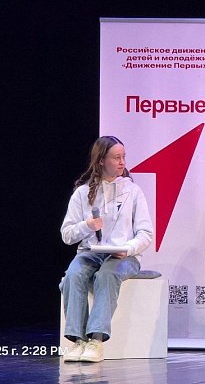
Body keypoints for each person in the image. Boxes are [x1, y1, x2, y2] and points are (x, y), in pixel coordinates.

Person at [60, 136, 154, 362]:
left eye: (123, 157)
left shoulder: (133, 191)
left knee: (107, 275)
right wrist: (87, 225)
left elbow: (145, 233)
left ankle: (96, 341)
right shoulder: (82, 193)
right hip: (90, 254)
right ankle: (77, 341)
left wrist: (128, 248)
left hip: (124, 257)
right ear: (101, 160)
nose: (122, 162)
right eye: (116, 157)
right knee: (73, 274)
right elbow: (67, 234)